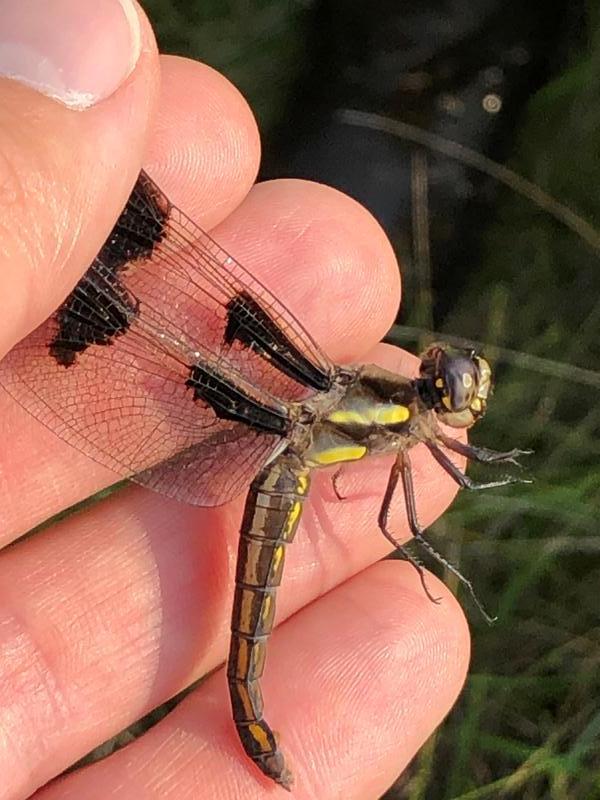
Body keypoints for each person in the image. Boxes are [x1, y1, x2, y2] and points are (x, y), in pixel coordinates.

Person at [0, 1, 470, 797]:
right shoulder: (382, 415)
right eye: (445, 390)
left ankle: (250, 710)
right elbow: (396, 504)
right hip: (284, 442)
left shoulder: (398, 421)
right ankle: (249, 709)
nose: (448, 401)